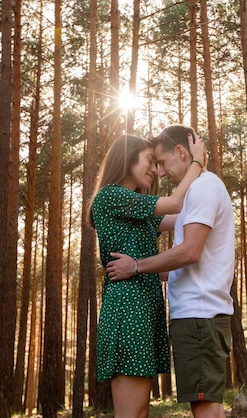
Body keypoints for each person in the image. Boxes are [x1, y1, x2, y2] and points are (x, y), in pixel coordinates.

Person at [106, 124, 235, 418]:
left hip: (199, 315)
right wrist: (149, 270)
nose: (159, 172)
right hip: (196, 314)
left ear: (180, 152)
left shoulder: (201, 187)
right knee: (205, 406)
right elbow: (182, 255)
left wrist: (136, 266)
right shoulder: (196, 192)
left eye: (161, 162)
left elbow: (189, 252)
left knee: (206, 409)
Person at [88, 133, 205, 418]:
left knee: (139, 412)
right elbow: (176, 204)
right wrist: (198, 163)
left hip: (144, 309)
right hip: (128, 310)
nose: (156, 170)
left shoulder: (136, 209)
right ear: (127, 159)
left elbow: (183, 217)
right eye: (150, 161)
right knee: (131, 414)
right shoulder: (111, 196)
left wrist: (212, 201)